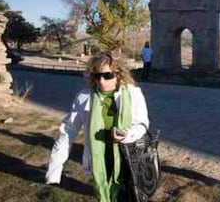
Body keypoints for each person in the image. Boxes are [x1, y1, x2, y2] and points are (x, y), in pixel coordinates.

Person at [45, 51, 149, 202]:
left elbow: (142, 124)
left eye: (107, 75)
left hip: (127, 158)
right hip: (98, 159)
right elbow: (67, 131)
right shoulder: (84, 97)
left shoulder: (133, 94)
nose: (101, 81)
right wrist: (54, 170)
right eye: (96, 75)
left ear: (118, 74)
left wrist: (128, 134)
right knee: (103, 193)